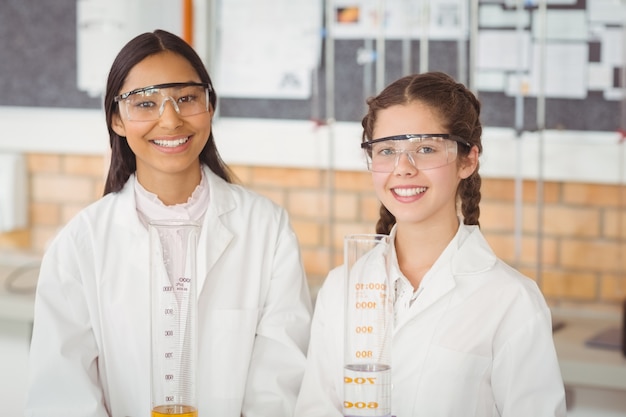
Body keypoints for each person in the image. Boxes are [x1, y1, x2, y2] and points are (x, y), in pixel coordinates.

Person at [25, 29, 312, 417]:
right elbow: (62, 394)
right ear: (117, 120)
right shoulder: (81, 243)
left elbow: (279, 385)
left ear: (210, 105)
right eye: (145, 104)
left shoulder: (267, 229)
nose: (171, 119)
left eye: (186, 98)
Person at [295, 72, 566, 416]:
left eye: (425, 149)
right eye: (387, 150)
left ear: (468, 160)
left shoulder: (513, 301)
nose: (403, 168)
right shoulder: (341, 287)